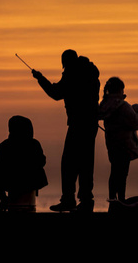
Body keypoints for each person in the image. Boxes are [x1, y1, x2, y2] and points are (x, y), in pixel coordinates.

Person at [32, 50, 100, 212]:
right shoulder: (91, 74)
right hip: (91, 124)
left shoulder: (72, 74)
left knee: (69, 164)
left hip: (78, 124)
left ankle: (69, 200)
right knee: (85, 163)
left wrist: (40, 79)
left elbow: (56, 93)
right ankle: (85, 201)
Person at [99, 77, 138, 203]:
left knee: (114, 172)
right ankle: (121, 200)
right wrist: (137, 114)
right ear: (120, 89)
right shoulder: (123, 106)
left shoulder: (105, 105)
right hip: (125, 145)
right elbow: (137, 123)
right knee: (122, 174)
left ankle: (113, 200)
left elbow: (119, 116)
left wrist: (134, 109)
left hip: (112, 144)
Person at [0, 115, 48, 212]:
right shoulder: (34, 144)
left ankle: (4, 199)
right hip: (26, 181)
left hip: (17, 181)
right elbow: (42, 161)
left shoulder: (5, 145)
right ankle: (4, 199)